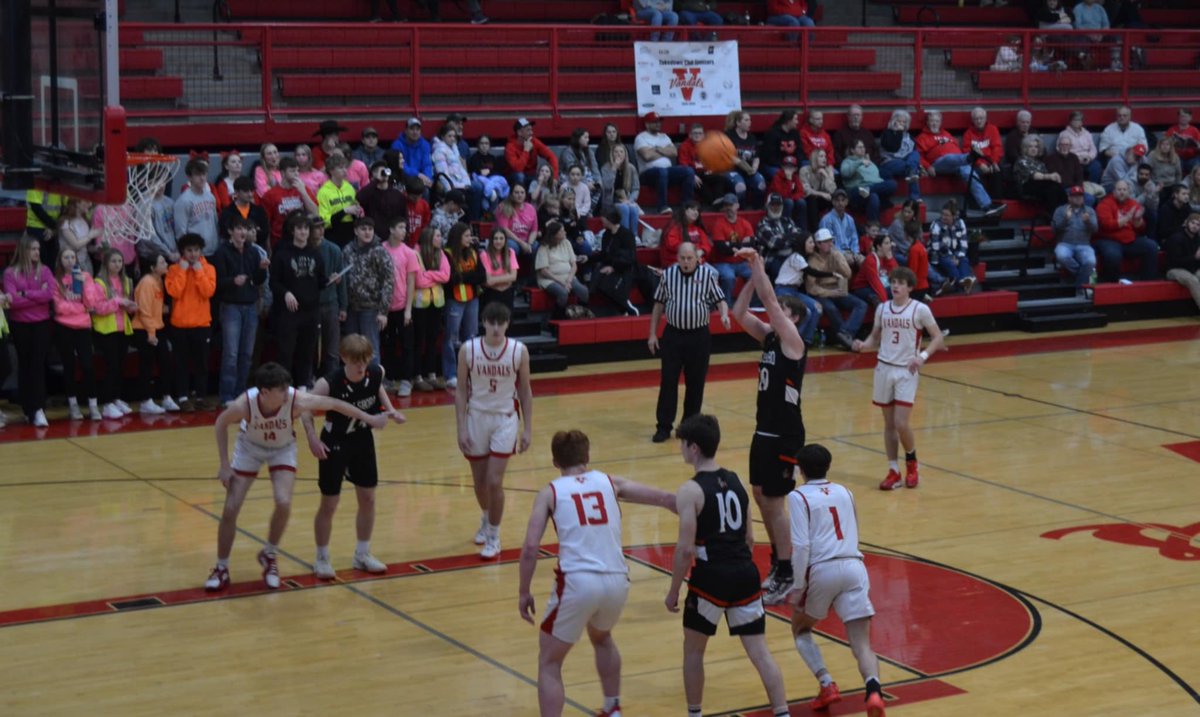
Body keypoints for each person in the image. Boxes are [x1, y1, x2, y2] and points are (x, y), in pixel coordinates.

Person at [517, 428, 676, 717]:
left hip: (577, 582)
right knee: (602, 637)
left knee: (550, 662)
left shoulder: (550, 492)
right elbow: (666, 498)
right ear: (587, 457)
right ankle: (612, 707)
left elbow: (530, 547)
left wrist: (524, 591)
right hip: (617, 579)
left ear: (555, 462)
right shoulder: (609, 482)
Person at [204, 361, 389, 592]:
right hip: (249, 448)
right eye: (280, 390)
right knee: (231, 507)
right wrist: (224, 464)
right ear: (264, 392)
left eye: (286, 388)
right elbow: (220, 424)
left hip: (282, 448)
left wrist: (371, 419)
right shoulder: (245, 404)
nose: (286, 393)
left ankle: (269, 555)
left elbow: (335, 404)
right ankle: (221, 567)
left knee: (283, 502)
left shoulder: (295, 399)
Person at [664, 414, 792, 717]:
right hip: (745, 573)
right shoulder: (736, 481)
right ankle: (783, 712)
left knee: (694, 650)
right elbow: (749, 538)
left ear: (693, 448)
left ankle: (694, 713)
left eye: (683, 444)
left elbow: (685, 550)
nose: (681, 449)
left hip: (711, 577)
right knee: (760, 652)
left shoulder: (691, 491)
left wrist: (672, 592)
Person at [730, 248, 809, 605]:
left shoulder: (794, 342)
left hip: (785, 431)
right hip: (764, 428)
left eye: (784, 313)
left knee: (775, 503)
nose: (776, 315)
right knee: (761, 495)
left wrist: (758, 264)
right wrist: (749, 278)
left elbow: (771, 302)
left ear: (794, 319)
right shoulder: (770, 339)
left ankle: (788, 571)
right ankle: (779, 563)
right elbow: (738, 314)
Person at [786, 444, 887, 717]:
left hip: (822, 569)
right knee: (861, 644)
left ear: (801, 469)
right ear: (828, 467)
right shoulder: (846, 491)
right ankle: (874, 690)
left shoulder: (798, 496)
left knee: (800, 628)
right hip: (854, 566)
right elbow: (854, 528)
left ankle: (826, 683)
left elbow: (801, 545)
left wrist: (798, 587)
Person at [301, 334, 406, 579]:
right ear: (344, 358)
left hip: (362, 440)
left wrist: (391, 411)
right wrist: (312, 439)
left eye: (365, 360)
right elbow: (304, 410)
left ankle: (362, 554)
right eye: (356, 361)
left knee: (368, 498)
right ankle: (322, 557)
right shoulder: (329, 383)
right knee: (329, 503)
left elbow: (377, 387)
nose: (361, 366)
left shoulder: (375, 371)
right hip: (334, 442)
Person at [852, 267, 946, 490]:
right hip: (884, 368)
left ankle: (912, 463)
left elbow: (938, 337)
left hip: (906, 370)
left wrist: (922, 357)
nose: (895, 286)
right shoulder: (882, 309)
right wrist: (863, 345)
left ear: (910, 287)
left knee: (901, 423)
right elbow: (874, 337)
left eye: (901, 283)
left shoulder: (920, 310)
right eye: (893, 282)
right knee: (888, 424)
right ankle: (893, 470)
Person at [456, 301, 534, 560]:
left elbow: (525, 390)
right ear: (484, 323)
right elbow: (461, 392)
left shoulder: (518, 351)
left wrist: (528, 429)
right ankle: (487, 518)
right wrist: (460, 429)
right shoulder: (468, 349)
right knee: (479, 483)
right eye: (492, 323)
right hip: (476, 417)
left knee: (493, 481)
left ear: (507, 324)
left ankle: (494, 536)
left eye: (501, 323)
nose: (497, 328)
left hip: (505, 418)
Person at [649, 242, 729, 442]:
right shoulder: (668, 275)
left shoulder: (707, 275)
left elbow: (720, 299)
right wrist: (652, 334)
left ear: (697, 258)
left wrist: (724, 315)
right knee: (668, 382)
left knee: (696, 383)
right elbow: (658, 305)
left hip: (699, 336)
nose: (685, 262)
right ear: (677, 258)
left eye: (689, 258)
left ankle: (688, 427)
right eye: (682, 258)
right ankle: (664, 427)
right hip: (673, 336)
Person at [213, 216, 268, 406]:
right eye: (239, 228)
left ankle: (241, 392)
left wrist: (262, 270)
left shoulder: (253, 252)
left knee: (247, 353)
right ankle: (227, 395)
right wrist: (232, 281)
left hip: (250, 305)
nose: (243, 232)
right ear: (230, 232)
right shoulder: (221, 253)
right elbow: (216, 284)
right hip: (231, 306)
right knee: (231, 353)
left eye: (245, 228)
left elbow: (259, 280)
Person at [270, 213, 326, 389]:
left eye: (306, 229)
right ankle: (284, 385)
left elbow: (320, 281)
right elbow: (274, 282)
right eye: (300, 228)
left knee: (307, 350)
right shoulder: (282, 254)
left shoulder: (316, 254)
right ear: (293, 231)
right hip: (289, 312)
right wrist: (286, 293)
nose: (303, 232)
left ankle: (303, 384)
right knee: (286, 351)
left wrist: (331, 280)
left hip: (311, 310)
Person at [916, 110, 1006, 217]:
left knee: (968, 171)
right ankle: (970, 157)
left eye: (937, 121)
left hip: (957, 163)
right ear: (927, 122)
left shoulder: (947, 134)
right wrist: (928, 166)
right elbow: (918, 156)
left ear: (940, 122)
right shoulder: (922, 137)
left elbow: (955, 149)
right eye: (932, 121)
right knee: (949, 157)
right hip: (938, 164)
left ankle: (987, 206)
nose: (934, 123)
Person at [166, 233, 218, 411]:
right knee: (181, 363)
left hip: (201, 324)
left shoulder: (208, 268)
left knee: (201, 364)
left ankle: (200, 397)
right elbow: (174, 292)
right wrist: (181, 270)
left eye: (196, 250)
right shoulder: (174, 269)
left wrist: (198, 271)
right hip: (179, 325)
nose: (193, 254)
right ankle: (182, 397)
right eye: (189, 250)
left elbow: (208, 292)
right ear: (183, 251)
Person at [52, 247, 100, 421]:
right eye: (66, 257)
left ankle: (93, 405)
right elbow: (59, 307)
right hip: (63, 327)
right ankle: (73, 405)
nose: (70, 260)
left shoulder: (85, 277)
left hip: (83, 327)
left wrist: (83, 286)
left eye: (72, 257)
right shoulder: (56, 280)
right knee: (69, 366)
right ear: (60, 260)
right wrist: (79, 307)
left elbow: (91, 303)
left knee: (88, 365)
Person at [91, 248, 138, 419]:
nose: (117, 264)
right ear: (106, 263)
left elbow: (124, 305)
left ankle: (117, 398)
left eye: (120, 261)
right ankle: (107, 403)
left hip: (122, 328)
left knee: (120, 365)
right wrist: (118, 301)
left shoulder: (126, 280)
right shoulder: (99, 282)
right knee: (111, 366)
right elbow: (98, 308)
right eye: (114, 261)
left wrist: (130, 306)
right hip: (106, 330)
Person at [342, 217, 395, 364]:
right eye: (363, 229)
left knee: (371, 348)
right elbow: (343, 279)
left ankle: (374, 382)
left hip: (371, 307)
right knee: (351, 347)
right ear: (356, 231)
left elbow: (388, 282)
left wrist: (383, 312)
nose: (367, 233)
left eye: (370, 229)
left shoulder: (379, 251)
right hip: (351, 307)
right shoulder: (347, 250)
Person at [131, 252, 178, 415]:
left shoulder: (160, 281)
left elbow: (157, 307)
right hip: (143, 328)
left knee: (165, 361)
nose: (166, 264)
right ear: (152, 267)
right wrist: (151, 334)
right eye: (162, 262)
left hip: (158, 326)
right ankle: (145, 400)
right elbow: (144, 311)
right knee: (147, 365)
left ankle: (166, 396)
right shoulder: (146, 283)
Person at [805, 228, 867, 350]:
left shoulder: (836, 254)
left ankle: (845, 334)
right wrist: (830, 293)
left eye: (831, 241)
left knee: (861, 305)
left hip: (837, 289)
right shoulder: (812, 261)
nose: (830, 244)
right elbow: (811, 288)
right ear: (818, 244)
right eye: (826, 241)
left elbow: (848, 274)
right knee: (831, 308)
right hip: (821, 293)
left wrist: (840, 258)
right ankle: (846, 339)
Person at [381, 217, 419, 396]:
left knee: (406, 345)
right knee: (386, 344)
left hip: (403, 305)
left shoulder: (409, 253)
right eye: (400, 227)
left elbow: (411, 282)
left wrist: (408, 310)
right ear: (391, 229)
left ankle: (406, 380)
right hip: (385, 307)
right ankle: (388, 378)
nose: (404, 231)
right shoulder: (380, 249)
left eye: (405, 227)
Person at [1095, 180, 1159, 282]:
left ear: (1129, 192)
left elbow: (1141, 228)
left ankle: (1147, 282)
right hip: (1108, 239)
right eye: (1119, 189)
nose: (1122, 192)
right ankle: (1111, 285)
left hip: (1129, 240)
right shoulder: (1104, 204)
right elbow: (1106, 225)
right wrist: (1127, 217)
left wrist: (1138, 222)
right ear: (1114, 192)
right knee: (1113, 255)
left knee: (1151, 246)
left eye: (1124, 190)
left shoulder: (1133, 203)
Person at [635, 112, 696, 214]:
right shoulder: (641, 138)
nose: (658, 124)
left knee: (688, 171)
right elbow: (646, 156)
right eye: (655, 122)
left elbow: (674, 152)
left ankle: (686, 206)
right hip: (647, 174)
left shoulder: (664, 136)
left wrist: (656, 149)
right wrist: (664, 151)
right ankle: (662, 206)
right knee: (662, 171)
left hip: (667, 171)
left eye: (659, 122)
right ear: (647, 124)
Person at [708, 194, 755, 301]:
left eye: (731, 205)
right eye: (726, 205)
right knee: (729, 277)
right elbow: (721, 248)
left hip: (742, 262)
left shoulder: (744, 223)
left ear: (737, 205)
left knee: (756, 275)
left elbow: (751, 244)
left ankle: (751, 305)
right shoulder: (719, 224)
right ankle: (726, 306)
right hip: (723, 262)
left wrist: (730, 245)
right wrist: (741, 245)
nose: (728, 208)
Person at [1052, 186, 1099, 292]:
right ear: (1069, 198)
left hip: (1084, 244)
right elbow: (1054, 230)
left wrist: (1088, 222)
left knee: (1091, 261)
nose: (1078, 198)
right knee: (1061, 255)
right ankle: (1083, 277)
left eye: (1080, 196)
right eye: (1075, 196)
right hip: (1065, 243)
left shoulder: (1090, 211)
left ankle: (1079, 285)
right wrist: (1065, 219)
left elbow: (1095, 229)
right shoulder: (1060, 210)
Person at [175, 158, 220, 257]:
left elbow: (215, 223)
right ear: (189, 177)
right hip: (195, 254)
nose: (202, 178)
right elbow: (181, 232)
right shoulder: (183, 201)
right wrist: (188, 253)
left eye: (204, 174)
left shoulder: (210, 196)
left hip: (213, 250)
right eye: (198, 175)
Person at [506, 117, 558, 189]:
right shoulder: (510, 147)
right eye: (528, 130)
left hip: (532, 175)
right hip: (515, 177)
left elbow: (552, 156)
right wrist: (526, 151)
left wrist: (554, 177)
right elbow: (518, 169)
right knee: (520, 176)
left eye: (531, 130)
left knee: (542, 176)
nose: (532, 133)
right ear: (519, 132)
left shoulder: (534, 141)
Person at [1165, 213, 1200, 312]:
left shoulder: (1198, 239)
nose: (1195, 226)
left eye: (1198, 225)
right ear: (1187, 223)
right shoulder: (1176, 238)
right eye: (1193, 223)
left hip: (1191, 268)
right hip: (1174, 269)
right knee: (1192, 280)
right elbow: (1175, 261)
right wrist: (1195, 257)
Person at [391, 117, 434, 191]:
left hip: (422, 179)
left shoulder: (425, 145)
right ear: (406, 131)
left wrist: (428, 177)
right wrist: (418, 175)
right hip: (404, 178)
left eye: (417, 129)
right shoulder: (397, 145)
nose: (415, 132)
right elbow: (401, 165)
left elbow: (427, 164)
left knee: (427, 188)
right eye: (412, 129)